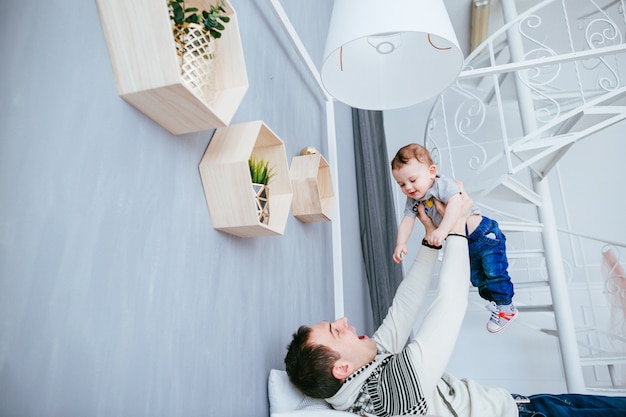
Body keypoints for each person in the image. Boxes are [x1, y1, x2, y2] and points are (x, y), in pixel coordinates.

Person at [283, 187, 626, 417]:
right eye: (335, 331)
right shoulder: (387, 397)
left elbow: (405, 306)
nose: (343, 321)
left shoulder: (367, 373)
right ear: (340, 368)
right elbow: (449, 308)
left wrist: (433, 239)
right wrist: (457, 226)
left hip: (530, 405)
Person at [391, 143, 517, 333]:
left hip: (483, 235)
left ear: (431, 172)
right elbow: (407, 220)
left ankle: (506, 307)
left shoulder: (442, 185)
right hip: (466, 244)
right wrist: (400, 243)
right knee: (477, 279)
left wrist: (442, 231)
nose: (408, 187)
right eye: (401, 184)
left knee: (494, 272)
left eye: (412, 180)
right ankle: (498, 304)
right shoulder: (413, 200)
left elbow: (456, 205)